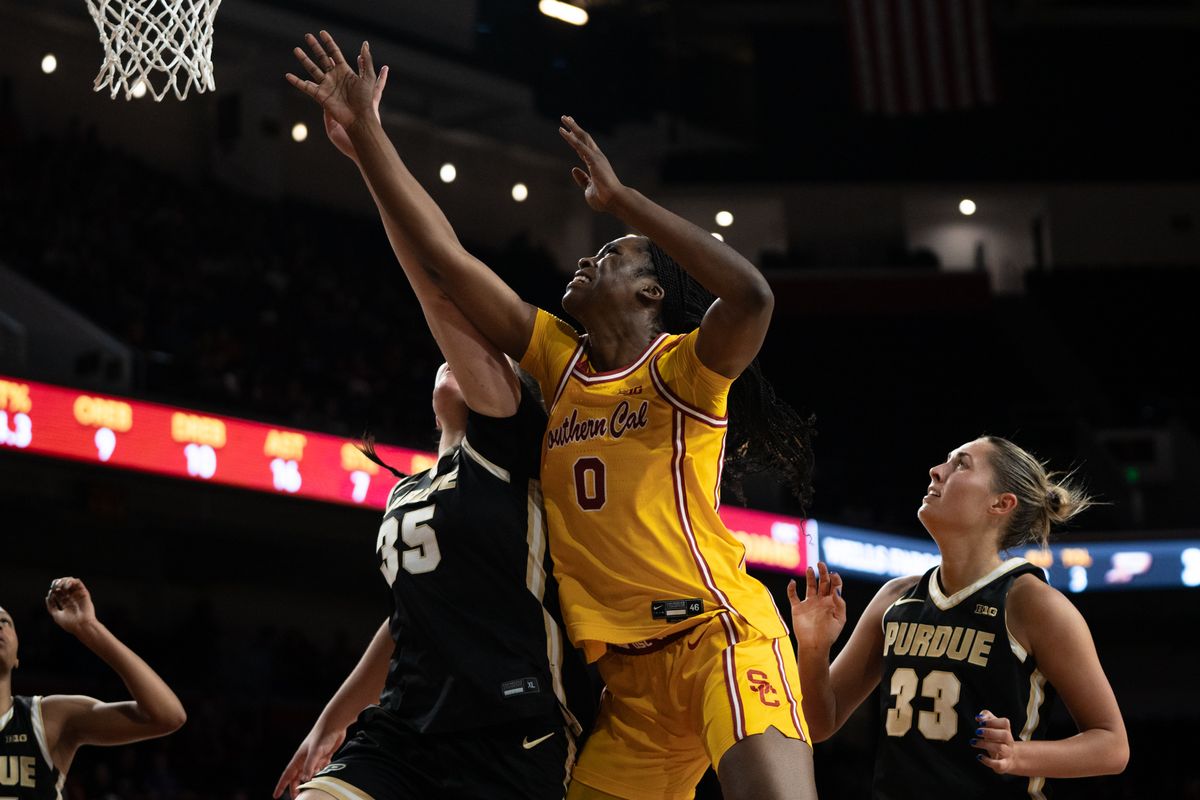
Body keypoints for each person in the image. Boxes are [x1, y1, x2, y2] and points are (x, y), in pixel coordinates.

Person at [286, 31, 819, 800]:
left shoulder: (684, 372)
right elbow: (446, 260)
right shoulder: (555, 359)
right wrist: (370, 141)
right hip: (626, 689)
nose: (585, 259)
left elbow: (754, 298)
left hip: (716, 639)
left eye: (611, 257)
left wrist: (625, 201)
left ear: (650, 295)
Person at [273, 57, 588, 800]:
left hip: (510, 733)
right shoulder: (410, 490)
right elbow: (405, 622)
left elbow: (437, 277)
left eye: (483, 359)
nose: (458, 358)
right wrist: (330, 720)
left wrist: (372, 149)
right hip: (404, 728)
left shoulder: (504, 444)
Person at [788, 436, 1129, 799]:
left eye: (961, 464)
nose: (936, 471)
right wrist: (812, 649)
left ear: (1001, 503)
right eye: (945, 462)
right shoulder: (895, 598)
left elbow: (1111, 746)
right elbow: (818, 723)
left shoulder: (1033, 604)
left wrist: (1018, 755)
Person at [0, 577, 186, 800]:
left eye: (5, 621)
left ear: (17, 658)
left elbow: (167, 716)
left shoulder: (46, 718)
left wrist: (88, 628)